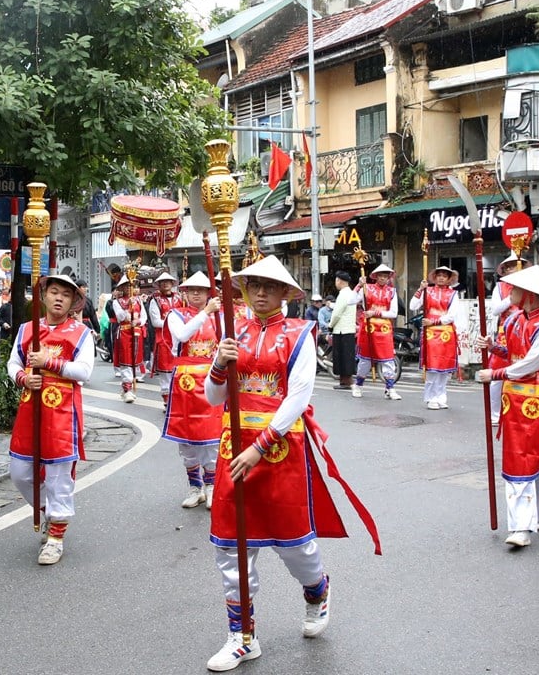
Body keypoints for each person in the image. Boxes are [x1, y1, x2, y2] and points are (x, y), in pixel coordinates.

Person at [203, 256, 380, 672]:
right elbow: (213, 398)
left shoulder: (300, 334)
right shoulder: (232, 333)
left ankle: (317, 591)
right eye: (254, 285)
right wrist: (219, 364)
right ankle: (242, 637)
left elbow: (297, 398)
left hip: (280, 449)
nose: (261, 293)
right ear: (245, 290)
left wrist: (260, 447)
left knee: (295, 545)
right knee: (231, 546)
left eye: (270, 286)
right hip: (233, 448)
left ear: (285, 292)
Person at [477, 266, 539, 548]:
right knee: (520, 458)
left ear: (529, 293)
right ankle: (525, 522)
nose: (510, 293)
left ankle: (527, 522)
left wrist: (495, 374)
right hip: (515, 397)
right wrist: (493, 347)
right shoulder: (514, 320)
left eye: (515, 289)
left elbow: (534, 361)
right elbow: (514, 353)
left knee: (535, 459)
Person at [7, 275, 94, 565]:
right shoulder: (27, 329)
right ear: (43, 296)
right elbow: (13, 362)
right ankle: (52, 512)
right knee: (20, 473)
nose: (59, 298)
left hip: (63, 413)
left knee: (58, 475)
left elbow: (84, 372)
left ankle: (56, 537)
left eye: (65, 295)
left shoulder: (80, 333)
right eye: (54, 292)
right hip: (30, 409)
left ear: (73, 302)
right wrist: (23, 377)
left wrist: (49, 363)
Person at [161, 272, 222, 509]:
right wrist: (205, 312)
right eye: (191, 289)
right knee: (186, 438)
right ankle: (195, 487)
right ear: (184, 293)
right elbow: (183, 335)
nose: (196, 293)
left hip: (211, 381)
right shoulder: (175, 315)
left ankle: (212, 485)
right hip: (185, 383)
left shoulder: (219, 317)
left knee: (210, 435)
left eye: (201, 289)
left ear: (209, 293)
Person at [487, 253, 531, 425]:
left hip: (526, 332)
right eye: (510, 266)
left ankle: (518, 412)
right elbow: (495, 310)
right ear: (504, 271)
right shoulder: (499, 288)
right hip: (505, 334)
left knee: (523, 373)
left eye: (516, 265)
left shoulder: (530, 284)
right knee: (497, 375)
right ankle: (495, 414)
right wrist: (511, 298)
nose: (513, 269)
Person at [410, 266, 460, 410]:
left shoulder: (453, 294)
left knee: (444, 368)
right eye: (439, 275)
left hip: (446, 334)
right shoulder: (427, 291)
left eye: (445, 275)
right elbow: (413, 306)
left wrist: (434, 321)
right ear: (435, 277)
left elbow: (452, 315)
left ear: (449, 279)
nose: (441, 278)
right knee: (432, 368)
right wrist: (420, 289)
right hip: (430, 334)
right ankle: (431, 397)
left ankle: (441, 397)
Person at [353, 264, 401, 400]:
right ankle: (358, 385)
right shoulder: (366, 288)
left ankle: (390, 388)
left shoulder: (392, 292)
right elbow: (351, 301)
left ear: (388, 278)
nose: (383, 278)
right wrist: (359, 285)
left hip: (384, 330)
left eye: (385, 276)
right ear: (376, 277)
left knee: (388, 359)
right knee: (365, 360)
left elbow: (393, 313)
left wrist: (375, 313)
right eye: (380, 275)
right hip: (368, 329)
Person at [148, 271, 183, 407]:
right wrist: (173, 323)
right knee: (165, 370)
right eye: (162, 282)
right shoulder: (155, 301)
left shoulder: (180, 298)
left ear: (172, 283)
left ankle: (178, 398)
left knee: (179, 368)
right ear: (159, 285)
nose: (166, 284)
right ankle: (167, 399)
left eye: (168, 282)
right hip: (163, 338)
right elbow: (156, 321)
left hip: (179, 337)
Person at [111, 275, 146, 402]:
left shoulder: (138, 300)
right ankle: (127, 390)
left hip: (136, 332)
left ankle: (129, 387)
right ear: (121, 288)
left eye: (130, 285)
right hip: (124, 333)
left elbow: (144, 316)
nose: (128, 288)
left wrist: (138, 322)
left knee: (135, 360)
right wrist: (128, 307)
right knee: (125, 361)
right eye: (125, 286)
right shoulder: (117, 302)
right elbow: (121, 317)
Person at [328, 271, 357, 389]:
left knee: (342, 357)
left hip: (341, 330)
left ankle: (347, 381)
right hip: (349, 329)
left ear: (339, 281)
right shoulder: (351, 293)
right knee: (347, 356)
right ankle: (344, 381)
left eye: (336, 280)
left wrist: (330, 325)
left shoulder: (343, 294)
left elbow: (337, 313)